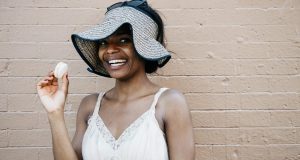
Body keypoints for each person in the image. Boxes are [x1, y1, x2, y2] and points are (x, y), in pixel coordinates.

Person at [36, 0, 194, 159]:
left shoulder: (170, 103)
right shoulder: (90, 106)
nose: (110, 50)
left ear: (145, 48)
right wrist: (54, 113)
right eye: (104, 42)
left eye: (124, 40)